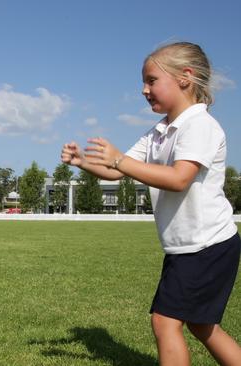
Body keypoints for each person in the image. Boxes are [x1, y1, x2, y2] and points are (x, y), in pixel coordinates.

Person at [61, 42, 241, 365]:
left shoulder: (199, 125)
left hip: (207, 244)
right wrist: (82, 162)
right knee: (202, 325)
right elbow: (118, 170)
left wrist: (119, 161)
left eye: (151, 80)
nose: (144, 90)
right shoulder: (159, 132)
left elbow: (178, 178)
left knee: (164, 321)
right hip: (188, 247)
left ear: (185, 77)